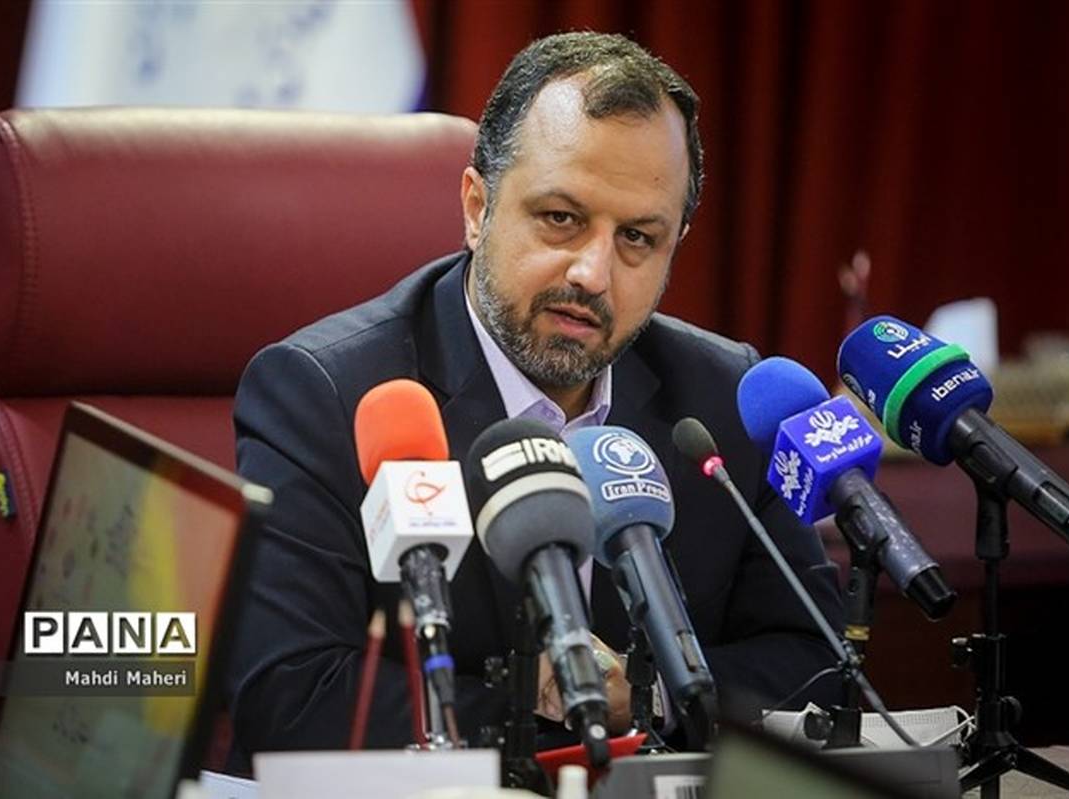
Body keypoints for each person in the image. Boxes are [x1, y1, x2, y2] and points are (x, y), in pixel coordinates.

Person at [225, 31, 844, 764]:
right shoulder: (325, 394)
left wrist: (645, 694)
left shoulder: (722, 402)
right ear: (476, 207)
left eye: (637, 237)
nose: (592, 273)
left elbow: (819, 667)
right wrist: (558, 721)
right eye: (561, 218)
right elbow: (292, 697)